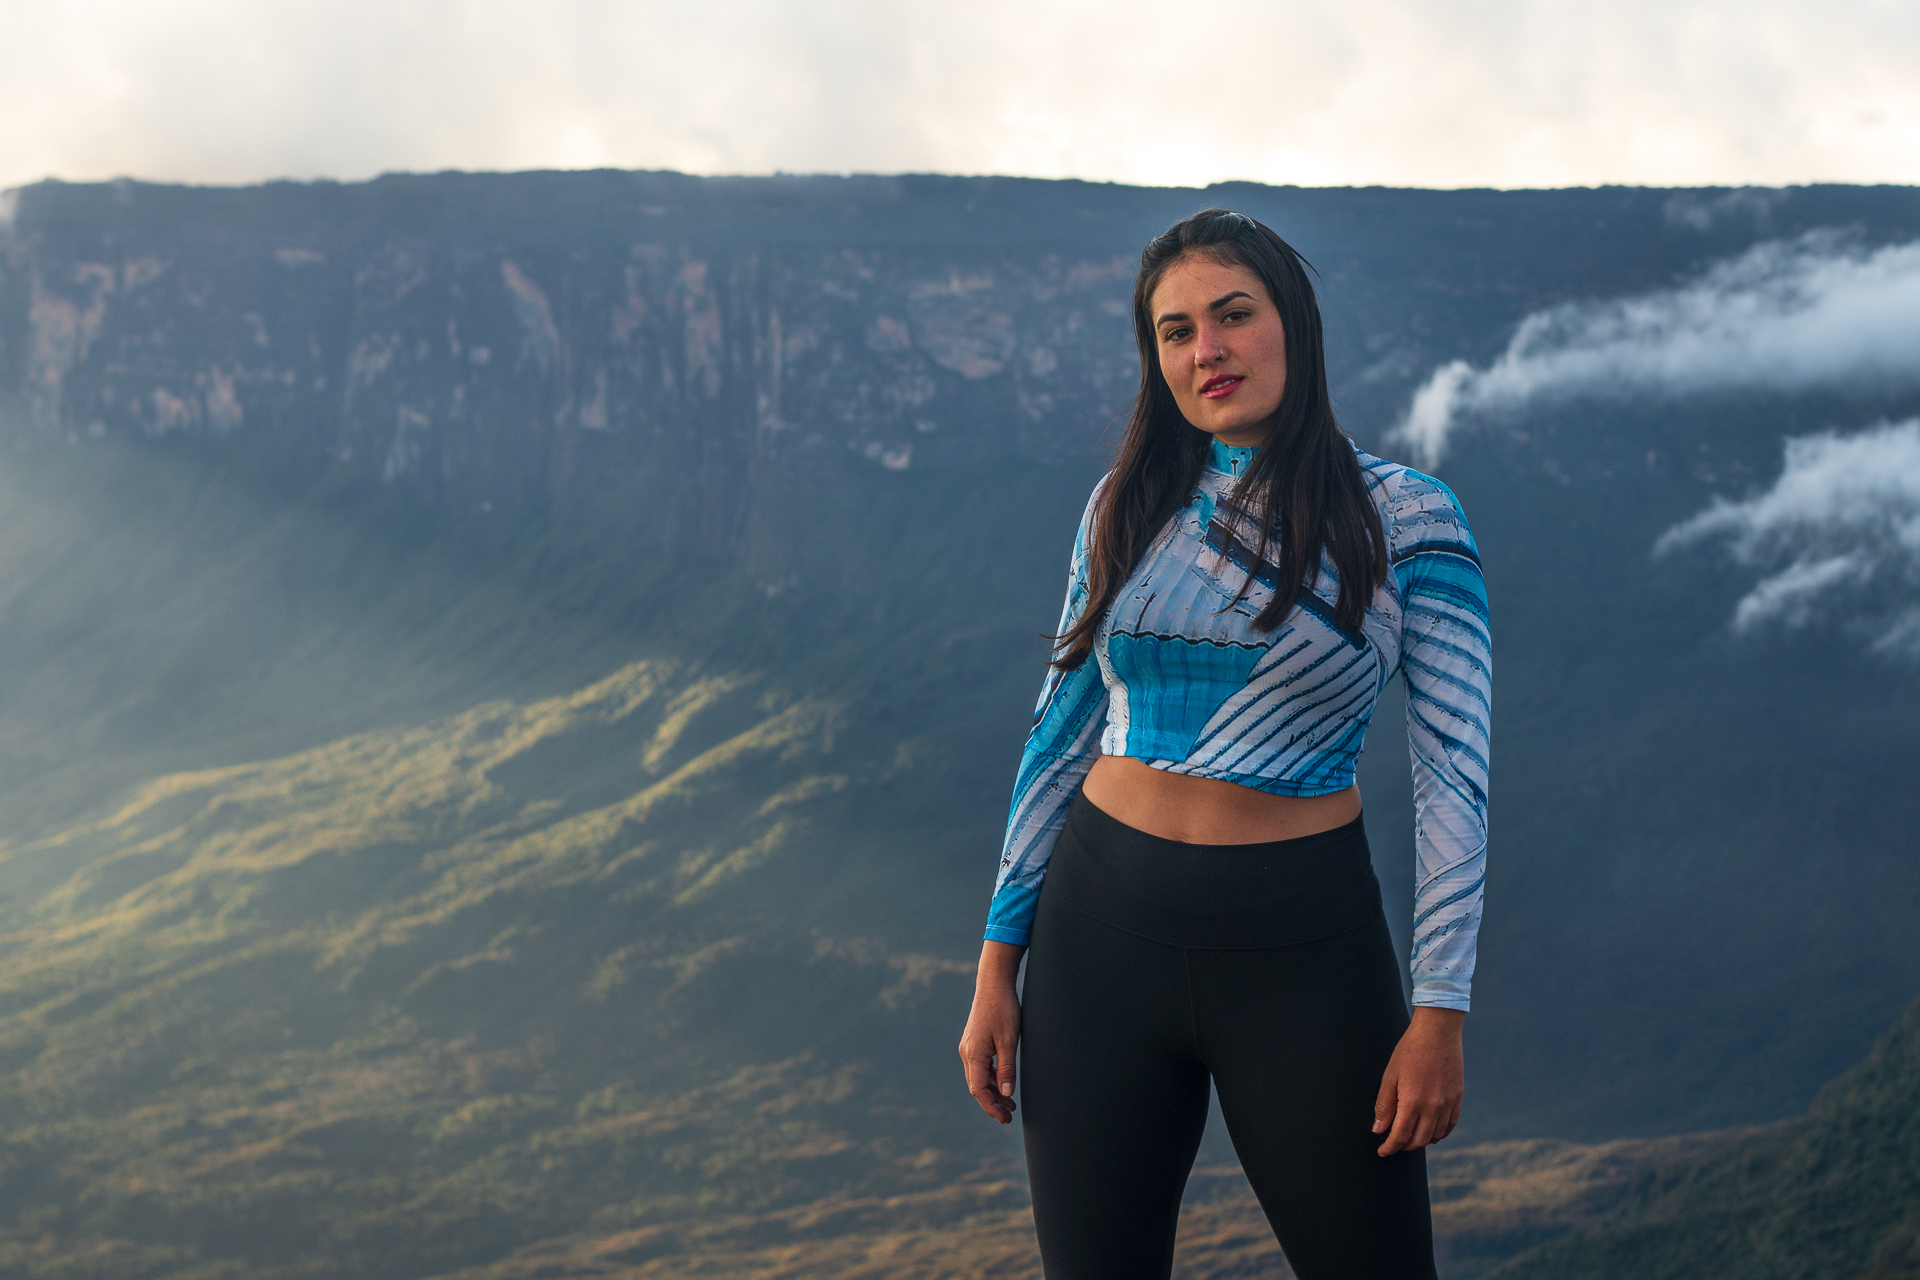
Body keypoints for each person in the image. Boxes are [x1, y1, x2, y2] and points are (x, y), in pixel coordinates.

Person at [956, 208, 1491, 1279]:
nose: (1208, 349)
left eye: (1233, 315)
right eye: (1175, 329)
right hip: (1097, 933)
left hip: (1301, 948)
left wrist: (1440, 1009)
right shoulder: (1126, 503)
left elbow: (1454, 779)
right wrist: (995, 964)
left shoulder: (1408, 520)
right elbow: (1059, 730)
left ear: (1292, 324)